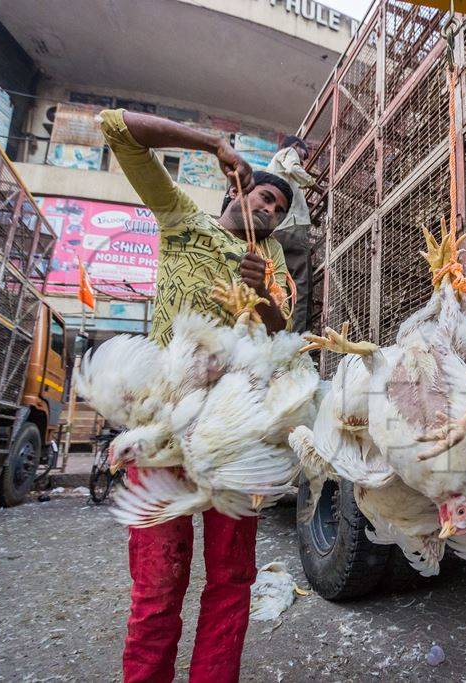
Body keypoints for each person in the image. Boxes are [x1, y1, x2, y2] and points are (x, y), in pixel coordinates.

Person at [98, 108, 293, 683]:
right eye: (264, 197)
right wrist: (212, 143)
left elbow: (281, 333)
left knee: (232, 578)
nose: (270, 210)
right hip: (164, 425)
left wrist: (264, 298)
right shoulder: (182, 221)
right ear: (238, 191)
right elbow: (117, 130)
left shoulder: (273, 262)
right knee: (159, 582)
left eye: (280, 209)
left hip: (238, 434)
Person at [265, 135, 323, 333]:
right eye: (304, 155)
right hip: (292, 229)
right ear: (297, 146)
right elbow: (294, 168)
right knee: (300, 285)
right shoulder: (288, 153)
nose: (303, 160)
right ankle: (297, 338)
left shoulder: (271, 170)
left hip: (276, 233)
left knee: (282, 287)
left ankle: (281, 333)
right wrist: (317, 186)